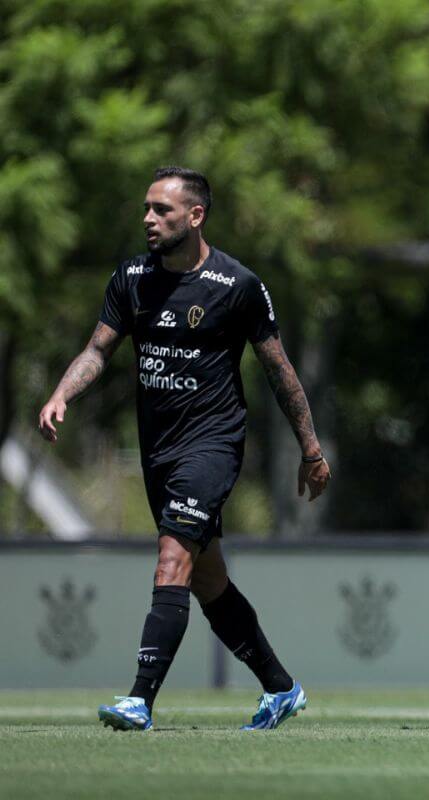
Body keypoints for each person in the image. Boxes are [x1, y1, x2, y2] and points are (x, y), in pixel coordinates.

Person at [37, 167, 331, 731]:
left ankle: (139, 700)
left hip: (212, 446)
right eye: (147, 208)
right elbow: (97, 350)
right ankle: (281, 688)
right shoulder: (131, 278)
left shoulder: (237, 285)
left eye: (162, 210)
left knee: (173, 561)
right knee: (207, 579)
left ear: (195, 216)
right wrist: (60, 393)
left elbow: (279, 371)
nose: (149, 219)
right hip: (158, 451)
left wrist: (311, 450)